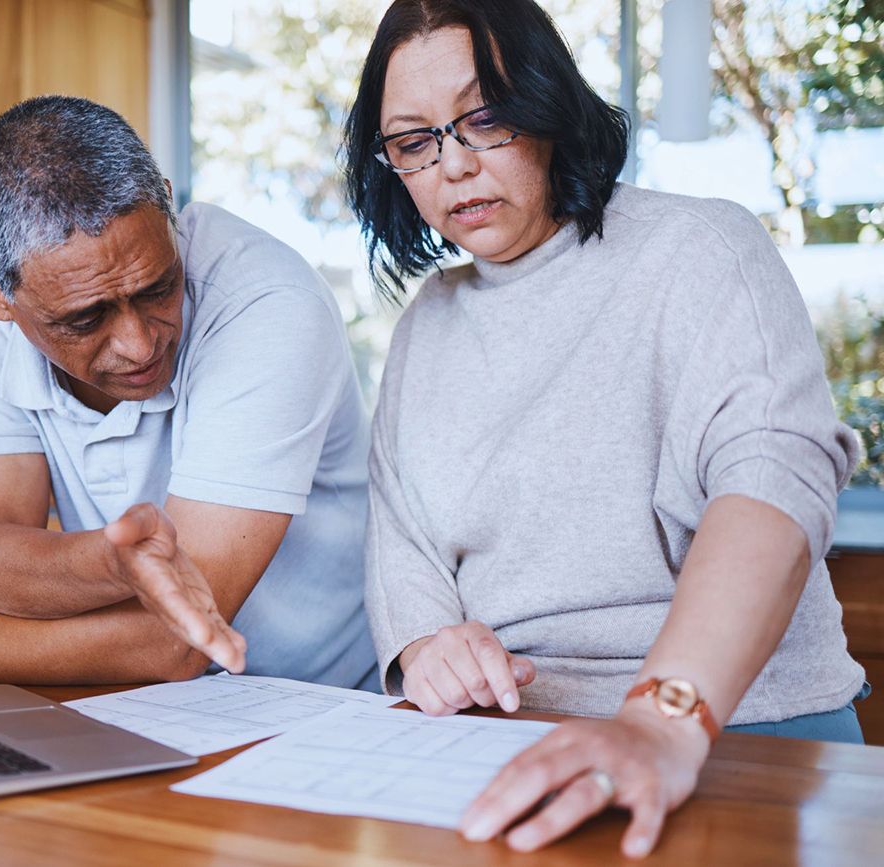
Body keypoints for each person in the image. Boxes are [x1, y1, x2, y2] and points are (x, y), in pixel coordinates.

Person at [343, 0, 868, 857]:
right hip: (506, 740)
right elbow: (402, 540)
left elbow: (775, 481)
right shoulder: (425, 324)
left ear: (551, 108)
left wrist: (662, 720)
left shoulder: (701, 248)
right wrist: (429, 647)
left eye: (487, 119)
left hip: (734, 728)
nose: (456, 165)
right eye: (415, 140)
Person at [0, 95, 377, 691]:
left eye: (159, 287)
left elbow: (178, 641)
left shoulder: (266, 301)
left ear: (168, 209)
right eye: (84, 319)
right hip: (131, 702)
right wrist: (108, 563)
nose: (139, 344)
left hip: (322, 703)